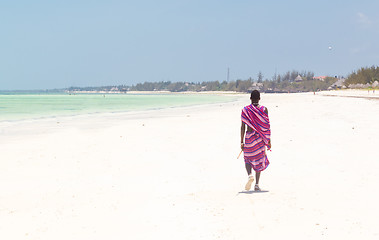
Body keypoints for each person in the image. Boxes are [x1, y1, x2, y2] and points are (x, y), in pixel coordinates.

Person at [240, 90, 271, 191]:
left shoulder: (245, 110)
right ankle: (257, 184)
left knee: (247, 158)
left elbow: (242, 127)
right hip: (260, 138)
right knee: (259, 159)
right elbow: (266, 126)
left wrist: (241, 141)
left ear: (250, 98)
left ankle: (250, 175)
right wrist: (268, 140)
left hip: (249, 137)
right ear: (259, 98)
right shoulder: (264, 109)